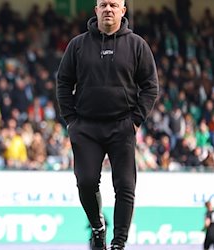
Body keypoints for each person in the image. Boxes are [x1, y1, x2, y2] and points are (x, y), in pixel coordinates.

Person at [56, 0, 159, 249]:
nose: (108, 9)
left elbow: (150, 86)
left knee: (125, 185)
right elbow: (63, 82)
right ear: (96, 10)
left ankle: (118, 244)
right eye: (103, 4)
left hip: (122, 125)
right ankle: (98, 227)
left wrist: (136, 120)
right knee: (86, 182)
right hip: (86, 127)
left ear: (123, 10)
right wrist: (71, 120)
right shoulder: (78, 45)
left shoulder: (137, 45)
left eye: (114, 4)